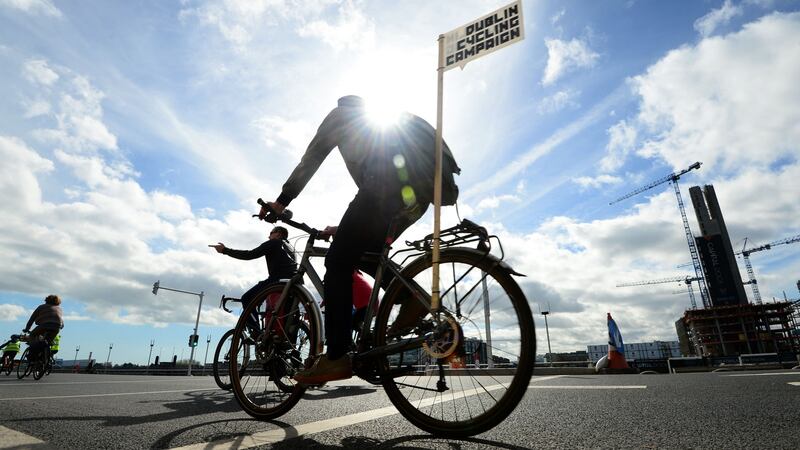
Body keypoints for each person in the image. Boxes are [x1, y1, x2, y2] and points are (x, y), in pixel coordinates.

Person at [261, 95, 459, 384]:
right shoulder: (381, 120)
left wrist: (281, 201)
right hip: (417, 197)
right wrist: (344, 229)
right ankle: (412, 299)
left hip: (384, 185)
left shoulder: (340, 115)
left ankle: (336, 356)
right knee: (368, 255)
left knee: (338, 263)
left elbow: (312, 157)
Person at [211, 225, 298, 331]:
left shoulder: (273, 243)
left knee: (247, 298)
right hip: (293, 284)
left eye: (271, 233)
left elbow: (250, 254)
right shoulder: (290, 248)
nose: (268, 236)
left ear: (278, 234)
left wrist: (225, 250)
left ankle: (256, 332)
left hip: (277, 281)